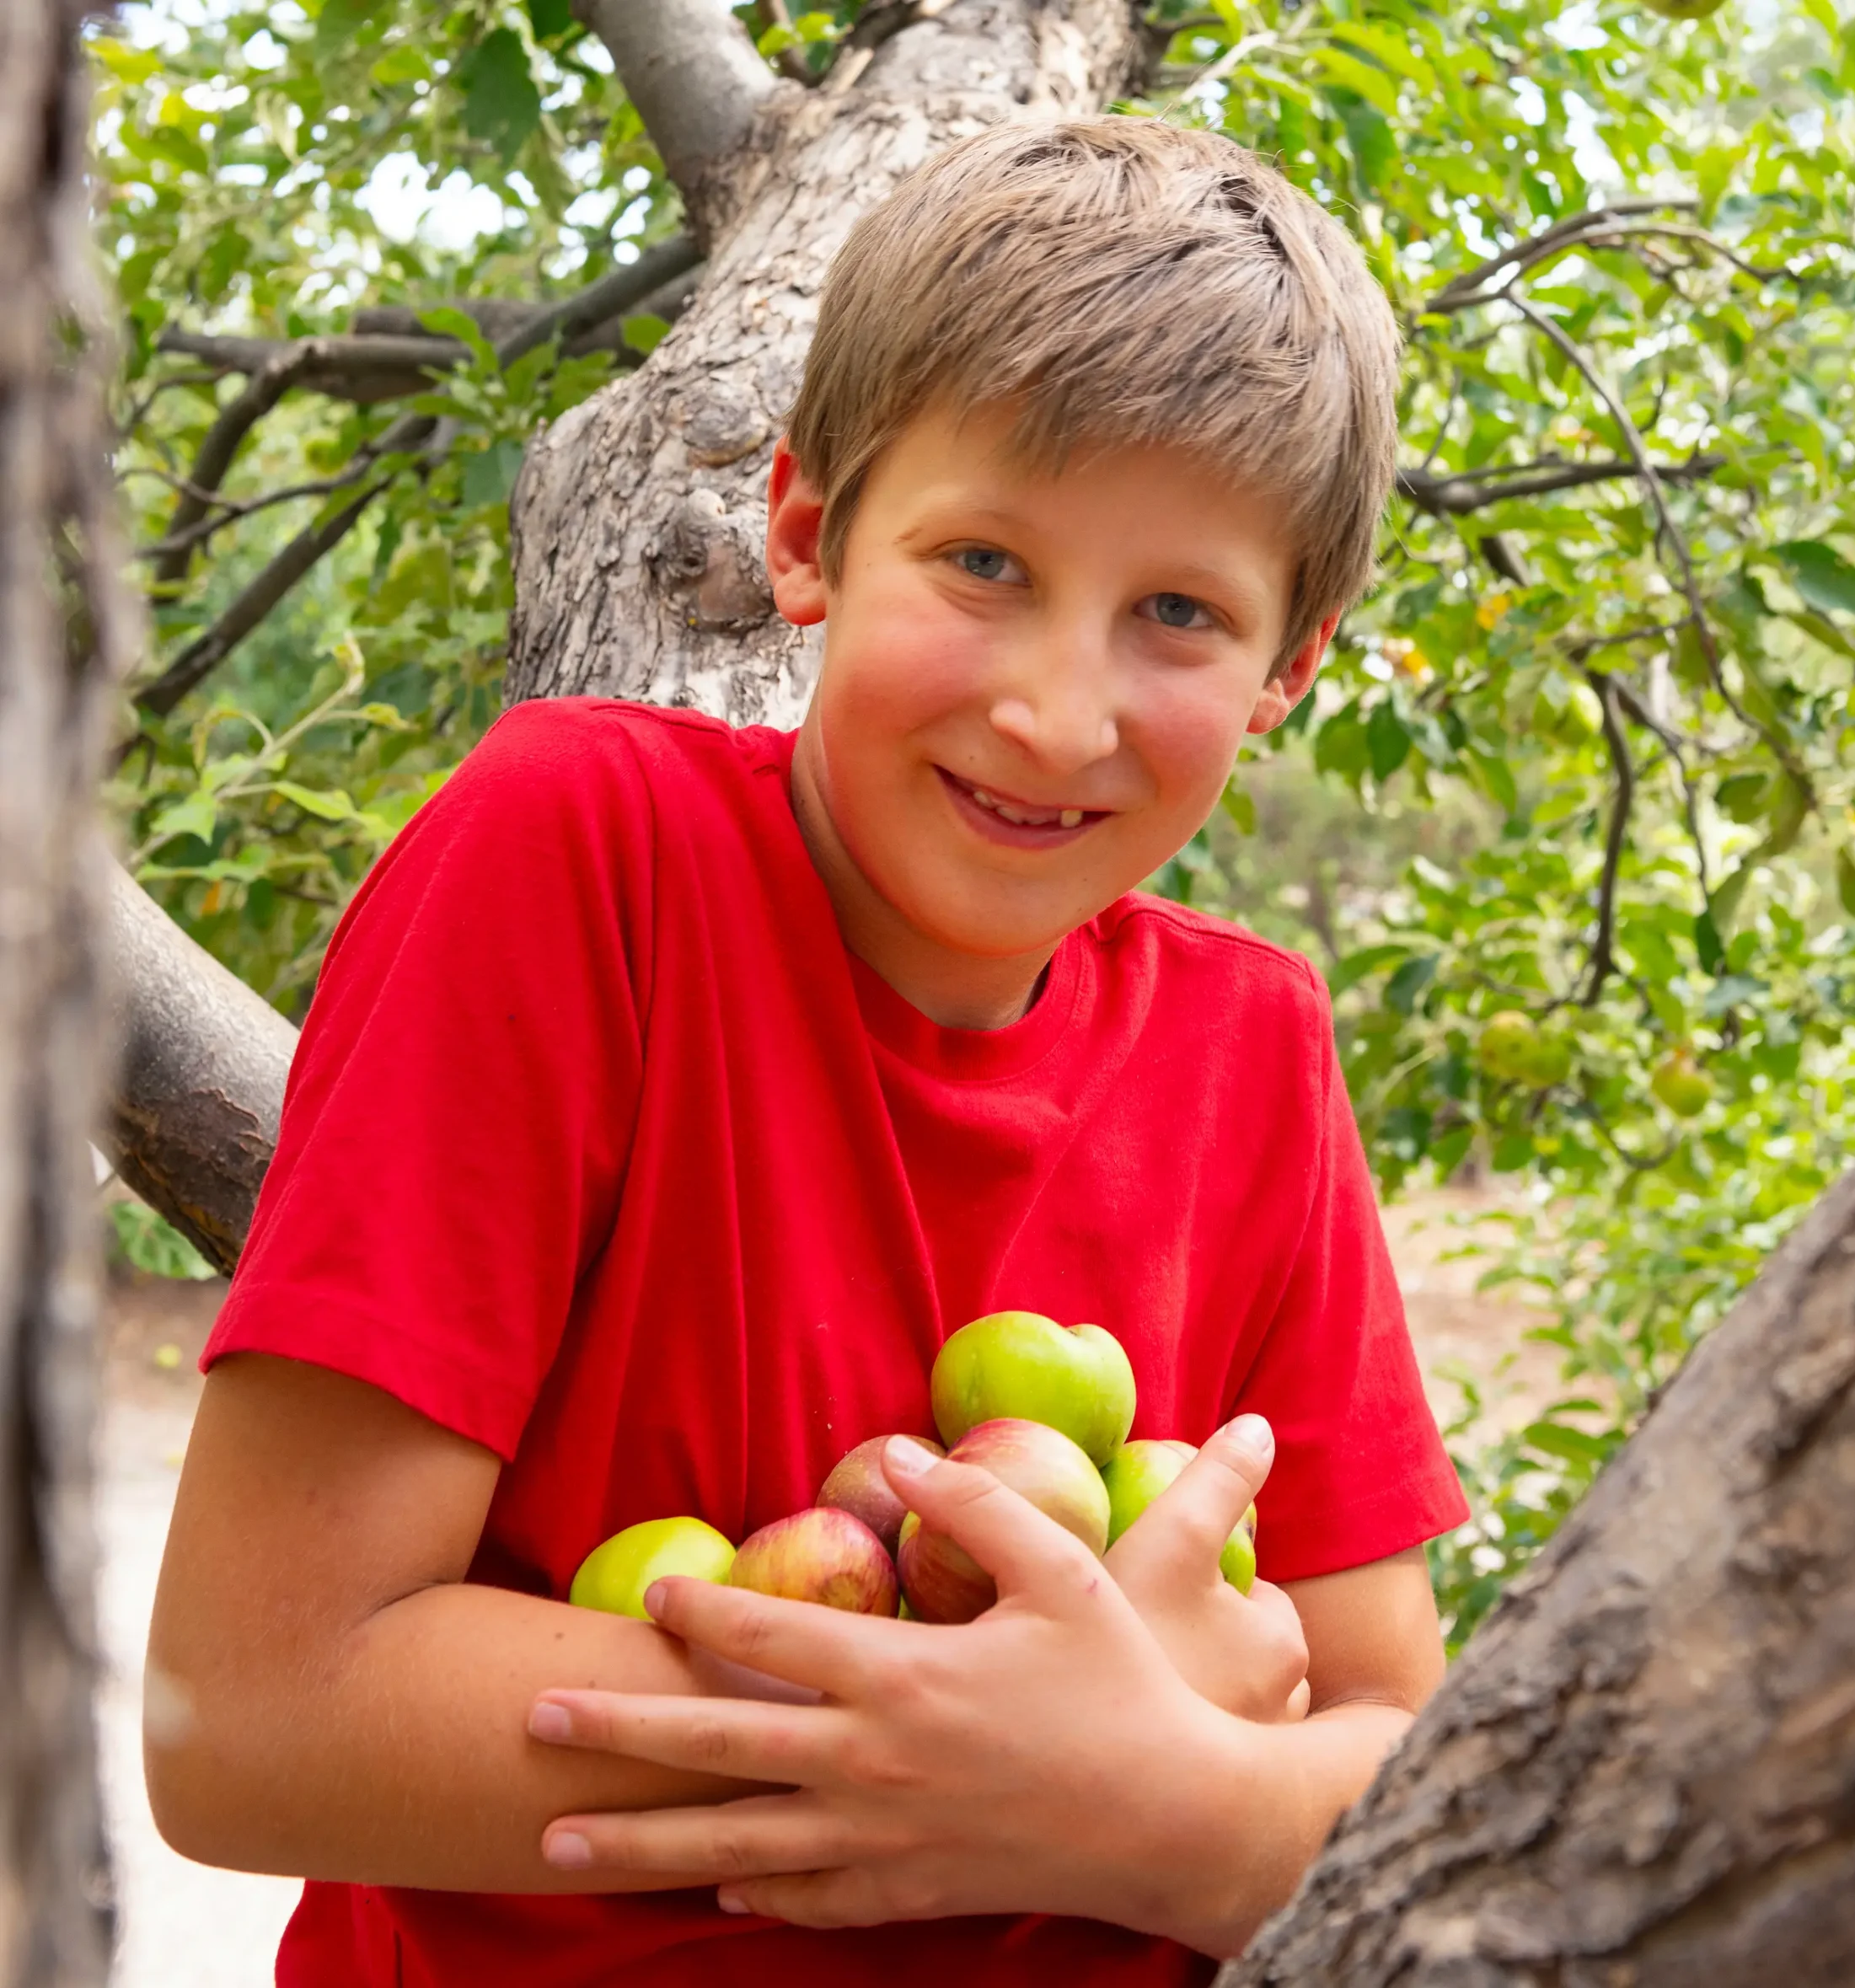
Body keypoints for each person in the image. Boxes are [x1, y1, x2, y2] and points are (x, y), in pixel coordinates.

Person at [145, 115, 1469, 1985]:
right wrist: (996, 1748)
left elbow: (1403, 1765)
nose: (1053, 708)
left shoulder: (1250, 1052)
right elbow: (257, 1721)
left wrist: (1144, 1803)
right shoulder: (583, 860)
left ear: (1287, 669)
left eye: (1177, 613)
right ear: (801, 534)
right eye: (984, 560)